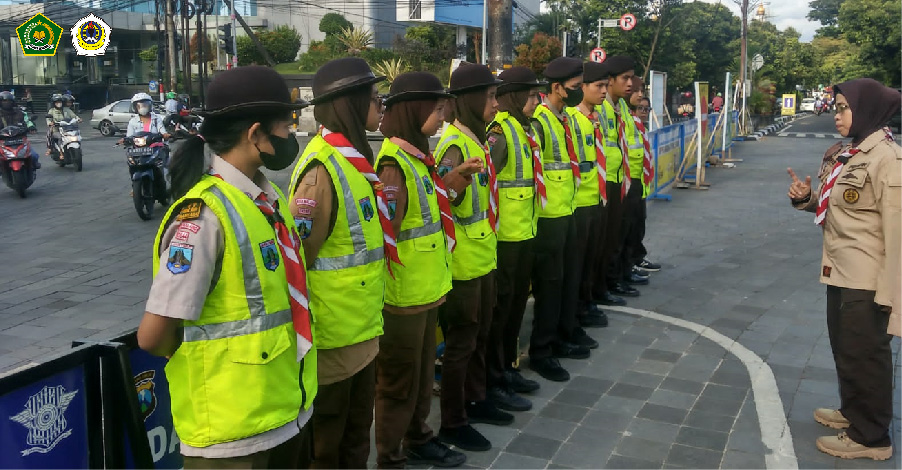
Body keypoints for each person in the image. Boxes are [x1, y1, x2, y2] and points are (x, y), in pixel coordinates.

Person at [136, 65, 316, 469]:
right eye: (286, 128)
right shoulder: (203, 218)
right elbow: (154, 336)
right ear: (255, 135)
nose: (294, 138)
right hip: (230, 436)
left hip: (280, 411)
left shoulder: (266, 201)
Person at [786, 78, 900, 461]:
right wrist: (808, 201)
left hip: (868, 280)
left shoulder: (888, 160)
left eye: (843, 108)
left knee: (866, 354)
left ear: (867, 110)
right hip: (840, 271)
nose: (837, 115)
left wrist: (892, 297)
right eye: (835, 108)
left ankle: (872, 437)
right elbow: (847, 210)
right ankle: (853, 412)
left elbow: (897, 232)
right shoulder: (855, 154)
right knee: (846, 348)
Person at [373, 71, 480, 469]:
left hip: (424, 291)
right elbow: (389, 233)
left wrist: (455, 180)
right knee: (399, 385)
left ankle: (418, 436)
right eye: (435, 111)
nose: (440, 119)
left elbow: (430, 213)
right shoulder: (393, 167)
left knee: (418, 381)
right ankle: (390, 456)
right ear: (413, 110)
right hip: (402, 298)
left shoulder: (417, 158)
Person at [288, 57, 389, 469]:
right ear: (349, 103)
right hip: (333, 337)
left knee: (355, 435)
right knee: (328, 443)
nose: (380, 105)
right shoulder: (321, 170)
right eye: (373, 97)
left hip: (361, 328)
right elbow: (302, 259)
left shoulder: (353, 159)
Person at [433, 63, 505, 452]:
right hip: (462, 263)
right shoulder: (455, 145)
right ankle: (453, 420)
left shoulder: (475, 140)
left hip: (481, 256)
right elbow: (445, 198)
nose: (495, 104)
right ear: (471, 100)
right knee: (461, 344)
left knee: (480, 335)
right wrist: (454, 183)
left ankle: (477, 399)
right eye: (490, 97)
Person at [484, 66, 546, 414]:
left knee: (515, 308)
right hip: (505, 238)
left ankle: (508, 368)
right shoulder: (500, 133)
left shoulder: (521, 130)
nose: (535, 101)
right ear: (515, 95)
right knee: (502, 312)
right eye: (530, 94)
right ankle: (497, 375)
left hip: (524, 232)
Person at [528, 57, 592, 384]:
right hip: (546, 220)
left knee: (565, 280)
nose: (579, 91)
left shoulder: (563, 118)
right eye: (576, 87)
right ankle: (542, 352)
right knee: (549, 287)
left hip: (566, 211)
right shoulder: (539, 121)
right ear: (556, 87)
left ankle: (561, 337)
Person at [565, 61, 612, 331]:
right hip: (579, 203)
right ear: (582, 88)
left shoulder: (593, 118)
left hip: (595, 198)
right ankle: (578, 309)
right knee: (578, 263)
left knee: (591, 257)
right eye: (599, 86)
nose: (604, 91)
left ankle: (586, 302)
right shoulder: (573, 119)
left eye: (606, 86)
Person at [596, 56, 642, 305]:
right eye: (624, 78)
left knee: (618, 234)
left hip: (621, 178)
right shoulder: (600, 108)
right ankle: (604, 284)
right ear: (609, 80)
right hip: (605, 182)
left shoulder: (621, 106)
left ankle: (613, 280)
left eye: (631, 78)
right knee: (606, 240)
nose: (630, 83)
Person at [0, 91, 39, 168]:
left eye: (9, 101)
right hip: (3, 141)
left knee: (34, 156)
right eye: (4, 101)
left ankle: (32, 169)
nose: (7, 103)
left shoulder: (20, 113)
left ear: (13, 102)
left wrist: (31, 127)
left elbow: (27, 121)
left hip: (20, 140)